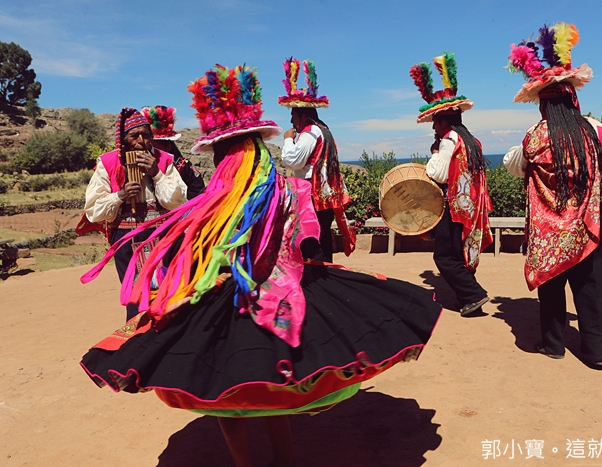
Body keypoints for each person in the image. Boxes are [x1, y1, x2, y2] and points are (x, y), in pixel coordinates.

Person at [79, 63, 442, 467]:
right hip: (281, 292)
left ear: (224, 154)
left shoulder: (217, 201)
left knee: (227, 393)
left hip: (227, 299)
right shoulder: (288, 188)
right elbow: (308, 236)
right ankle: (283, 459)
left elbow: (202, 245)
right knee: (272, 387)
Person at [503, 22, 602, 367]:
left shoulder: (534, 136)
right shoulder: (594, 130)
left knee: (551, 288)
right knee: (591, 291)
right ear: (573, 97)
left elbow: (514, 165)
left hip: (549, 232)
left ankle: (553, 344)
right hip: (586, 228)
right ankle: (595, 353)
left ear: (543, 104)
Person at [82, 108, 187, 321]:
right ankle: (138, 335)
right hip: (126, 240)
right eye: (134, 136)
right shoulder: (108, 163)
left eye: (146, 135)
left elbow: (177, 201)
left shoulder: (165, 160)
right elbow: (93, 209)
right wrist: (120, 196)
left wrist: (156, 173)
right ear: (124, 140)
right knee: (136, 298)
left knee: (168, 292)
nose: (141, 141)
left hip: (163, 236)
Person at [409, 52, 493, 317]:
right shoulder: (471, 140)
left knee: (444, 257)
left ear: (444, 120)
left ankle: (473, 294)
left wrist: (434, 153)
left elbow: (438, 173)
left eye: (436, 121)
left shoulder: (448, 140)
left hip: (453, 207)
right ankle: (468, 298)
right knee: (459, 253)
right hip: (471, 206)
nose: (434, 127)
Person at [278, 57, 355, 262]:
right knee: (322, 237)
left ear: (303, 116)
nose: (291, 120)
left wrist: (288, 140)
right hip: (323, 194)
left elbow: (294, 161)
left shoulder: (310, 132)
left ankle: (319, 275)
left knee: (312, 240)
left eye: (293, 115)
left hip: (312, 194)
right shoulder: (324, 129)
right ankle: (325, 272)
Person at [141, 105, 206, 199]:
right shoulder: (143, 165)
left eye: (155, 148)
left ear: (168, 147)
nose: (152, 151)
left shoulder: (184, 167)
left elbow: (197, 192)